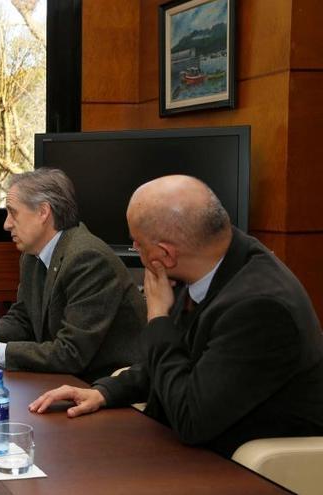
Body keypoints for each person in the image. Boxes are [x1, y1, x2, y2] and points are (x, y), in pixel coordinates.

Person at [30, 175, 323, 457]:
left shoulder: (259, 309)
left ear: (165, 255)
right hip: (188, 441)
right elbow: (176, 361)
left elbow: (191, 419)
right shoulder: (210, 260)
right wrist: (105, 392)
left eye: (137, 243)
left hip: (243, 463)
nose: (134, 248)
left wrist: (158, 318)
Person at [0, 169, 145, 382]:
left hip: (106, 388)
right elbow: (23, 320)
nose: (6, 224)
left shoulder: (88, 259)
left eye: (13, 213)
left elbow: (71, 353)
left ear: (43, 212)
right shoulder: (32, 255)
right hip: (65, 380)